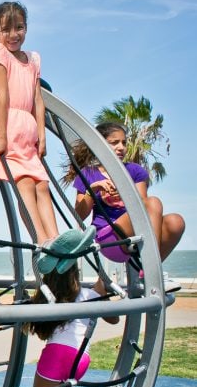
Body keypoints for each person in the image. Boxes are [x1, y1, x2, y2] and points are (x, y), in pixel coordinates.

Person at [10, 231, 119, 387]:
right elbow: (114, 319)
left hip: (57, 355)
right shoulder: (89, 295)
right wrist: (102, 288)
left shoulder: (50, 298)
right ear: (75, 274)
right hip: (81, 359)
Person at [0, 1, 58, 244]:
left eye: (19, 27)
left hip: (27, 130)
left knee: (42, 185)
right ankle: (41, 240)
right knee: (25, 183)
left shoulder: (33, 59)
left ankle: (55, 237)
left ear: (26, 28)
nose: (13, 35)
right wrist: (1, 136)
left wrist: (42, 135)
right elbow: (3, 94)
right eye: (6, 30)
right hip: (6, 123)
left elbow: (38, 99)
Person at [68, 122, 184, 293]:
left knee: (175, 221)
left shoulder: (135, 171)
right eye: (114, 142)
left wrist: (122, 194)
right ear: (100, 143)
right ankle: (154, 273)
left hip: (135, 233)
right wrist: (93, 190)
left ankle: (149, 270)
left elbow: (144, 209)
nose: (121, 147)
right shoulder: (88, 173)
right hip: (109, 237)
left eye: (124, 142)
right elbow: (79, 215)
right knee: (154, 203)